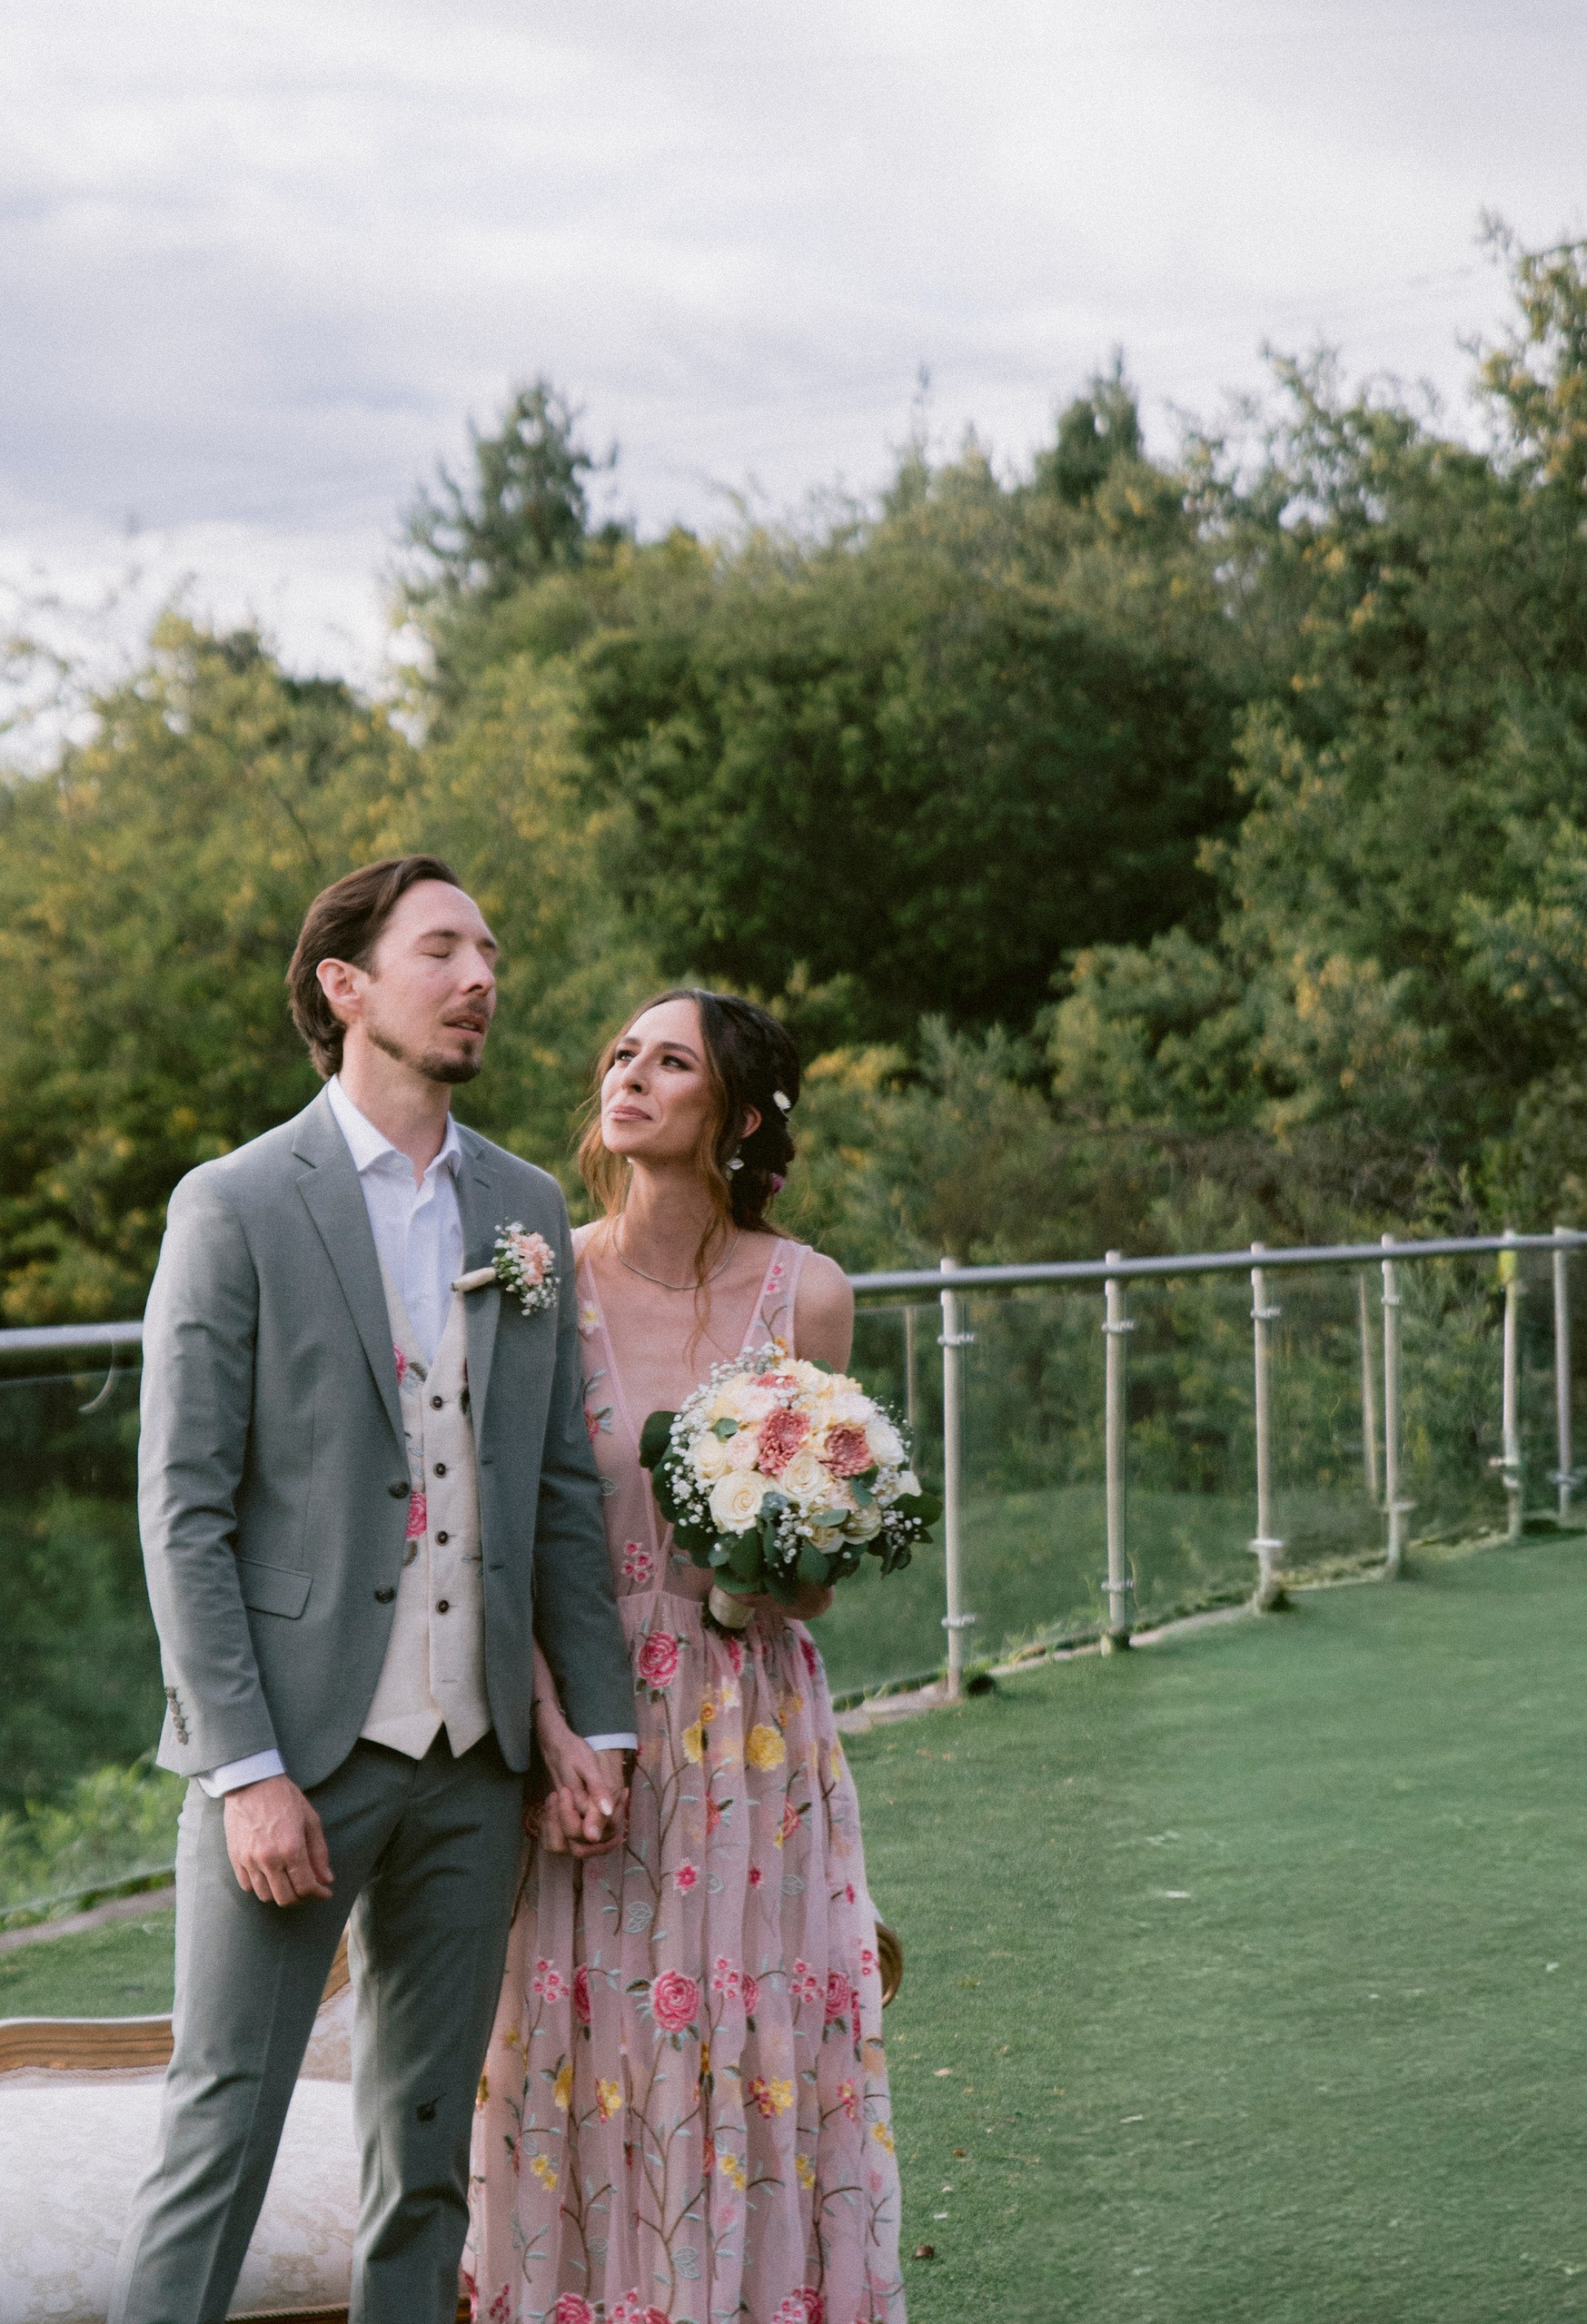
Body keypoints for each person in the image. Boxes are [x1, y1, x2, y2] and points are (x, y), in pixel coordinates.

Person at [110, 855, 640, 2324]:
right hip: (294, 1755)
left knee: (425, 2157)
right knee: (221, 2128)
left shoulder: (525, 1207)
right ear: (346, 987)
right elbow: (185, 1510)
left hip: (475, 1762)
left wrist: (593, 1721)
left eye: (491, 950)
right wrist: (247, 1771)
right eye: (443, 950)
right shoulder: (233, 1206)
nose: (482, 978)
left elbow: (551, 1494)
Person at [468, 989, 908, 2324]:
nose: (632, 1075)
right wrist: (549, 1727)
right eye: (623, 1054)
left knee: (746, 2039)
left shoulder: (808, 1293)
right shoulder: (541, 1271)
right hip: (585, 1719)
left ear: (738, 1114)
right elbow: (498, 1534)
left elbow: (823, 1577)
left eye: (673, 1061)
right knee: (574, 2039)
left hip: (753, 1726)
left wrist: (768, 1572)